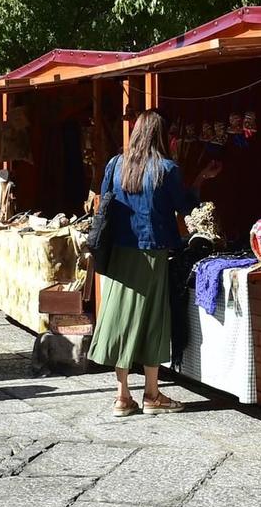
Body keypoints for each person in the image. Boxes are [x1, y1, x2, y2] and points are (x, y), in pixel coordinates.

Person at [91, 111, 218, 417]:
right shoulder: (167, 169)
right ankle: (152, 394)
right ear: (161, 135)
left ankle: (122, 396)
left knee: (118, 317)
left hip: (119, 251)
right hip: (152, 253)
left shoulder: (115, 164)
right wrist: (201, 179)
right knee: (153, 320)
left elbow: (104, 202)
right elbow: (186, 207)